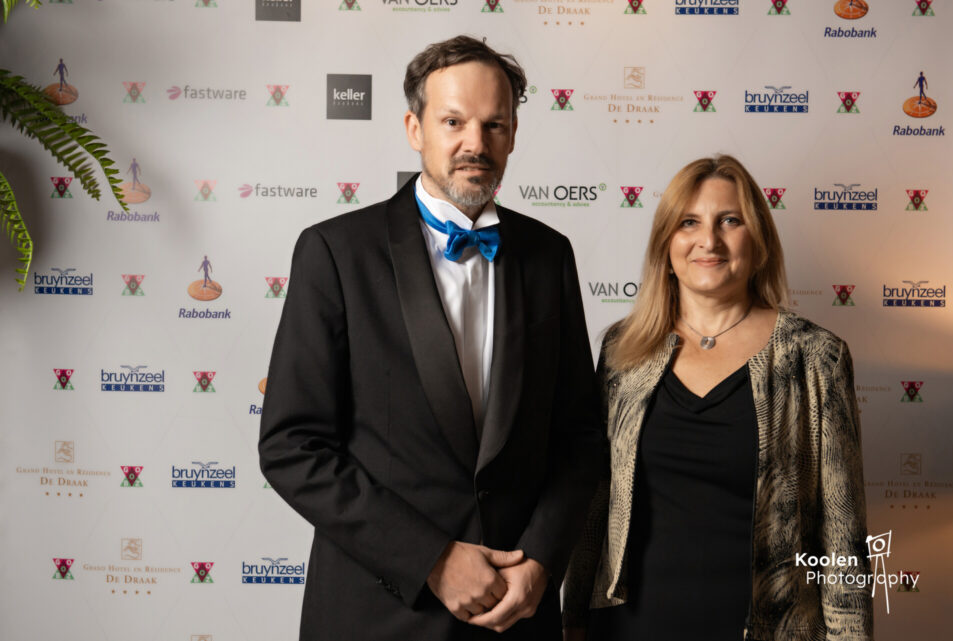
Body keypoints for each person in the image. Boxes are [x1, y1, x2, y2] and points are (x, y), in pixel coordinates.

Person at [259, 35, 601, 641]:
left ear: (513, 135)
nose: (476, 143)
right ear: (414, 128)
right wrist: (432, 559)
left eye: (495, 125)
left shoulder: (550, 256)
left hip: (516, 615)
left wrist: (542, 562)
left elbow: (578, 438)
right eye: (454, 122)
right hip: (379, 616)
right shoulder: (335, 252)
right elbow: (292, 446)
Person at [562, 155, 872, 641]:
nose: (709, 240)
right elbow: (595, 504)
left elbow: (843, 537)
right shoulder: (623, 352)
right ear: (666, 244)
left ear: (759, 241)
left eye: (730, 220)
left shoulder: (815, 358)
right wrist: (574, 621)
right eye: (689, 222)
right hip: (628, 627)